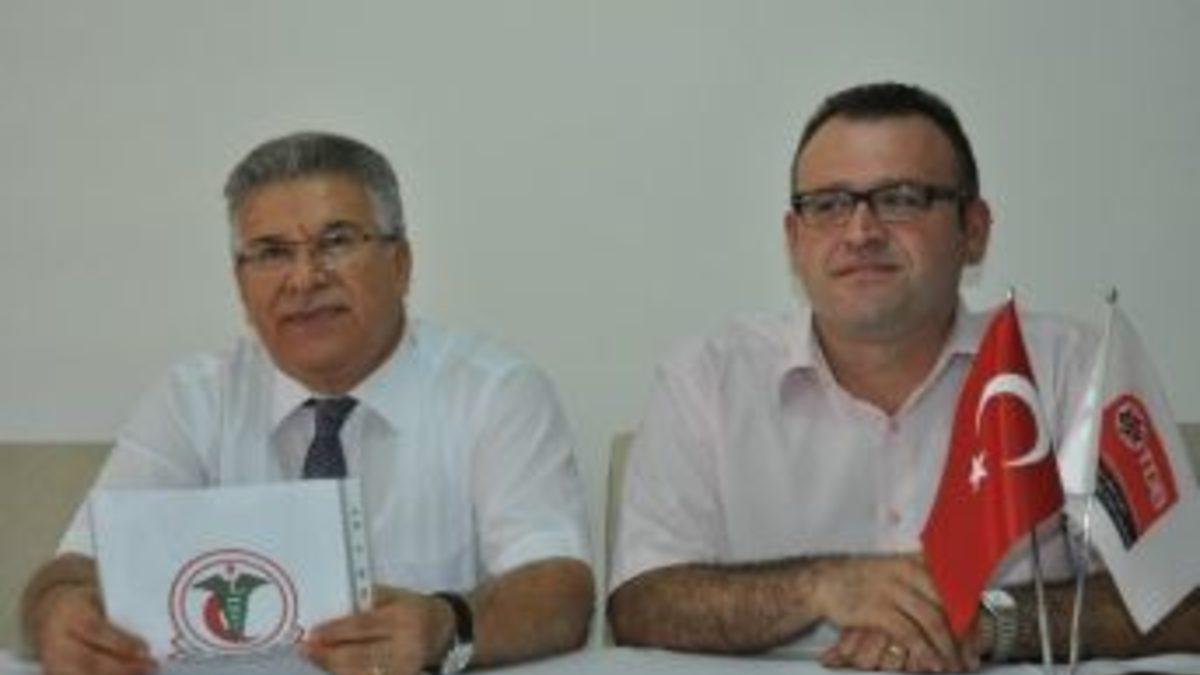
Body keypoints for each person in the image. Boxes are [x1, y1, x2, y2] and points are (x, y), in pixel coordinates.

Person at [607, 82, 1199, 671]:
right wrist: (820, 585)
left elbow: (1185, 601)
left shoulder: (1072, 370)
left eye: (901, 199)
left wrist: (991, 622)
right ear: (793, 239)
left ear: (974, 230)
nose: (861, 232)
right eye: (829, 205)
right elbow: (639, 604)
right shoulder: (706, 382)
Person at [20, 132, 594, 675]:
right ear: (241, 284)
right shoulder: (193, 399)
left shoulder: (494, 391)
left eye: (336, 242)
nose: (303, 279)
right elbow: (71, 571)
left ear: (400, 264)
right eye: (271, 253)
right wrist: (58, 616)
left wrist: (447, 624)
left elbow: (560, 592)